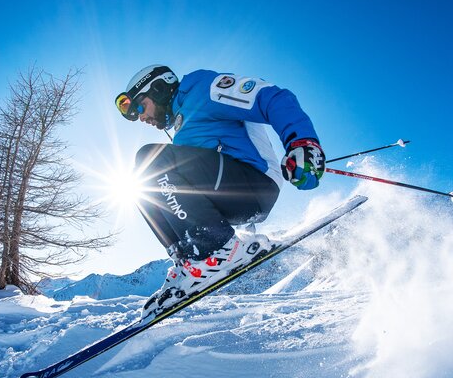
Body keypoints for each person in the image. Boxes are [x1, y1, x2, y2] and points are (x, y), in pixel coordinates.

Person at [114, 65, 325, 313]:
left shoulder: (203, 89)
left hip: (254, 183)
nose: (141, 117)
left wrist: (302, 143)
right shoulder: (181, 126)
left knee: (149, 158)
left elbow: (270, 96)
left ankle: (217, 248)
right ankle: (189, 260)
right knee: (141, 183)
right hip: (226, 197)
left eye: (140, 107)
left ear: (159, 89)